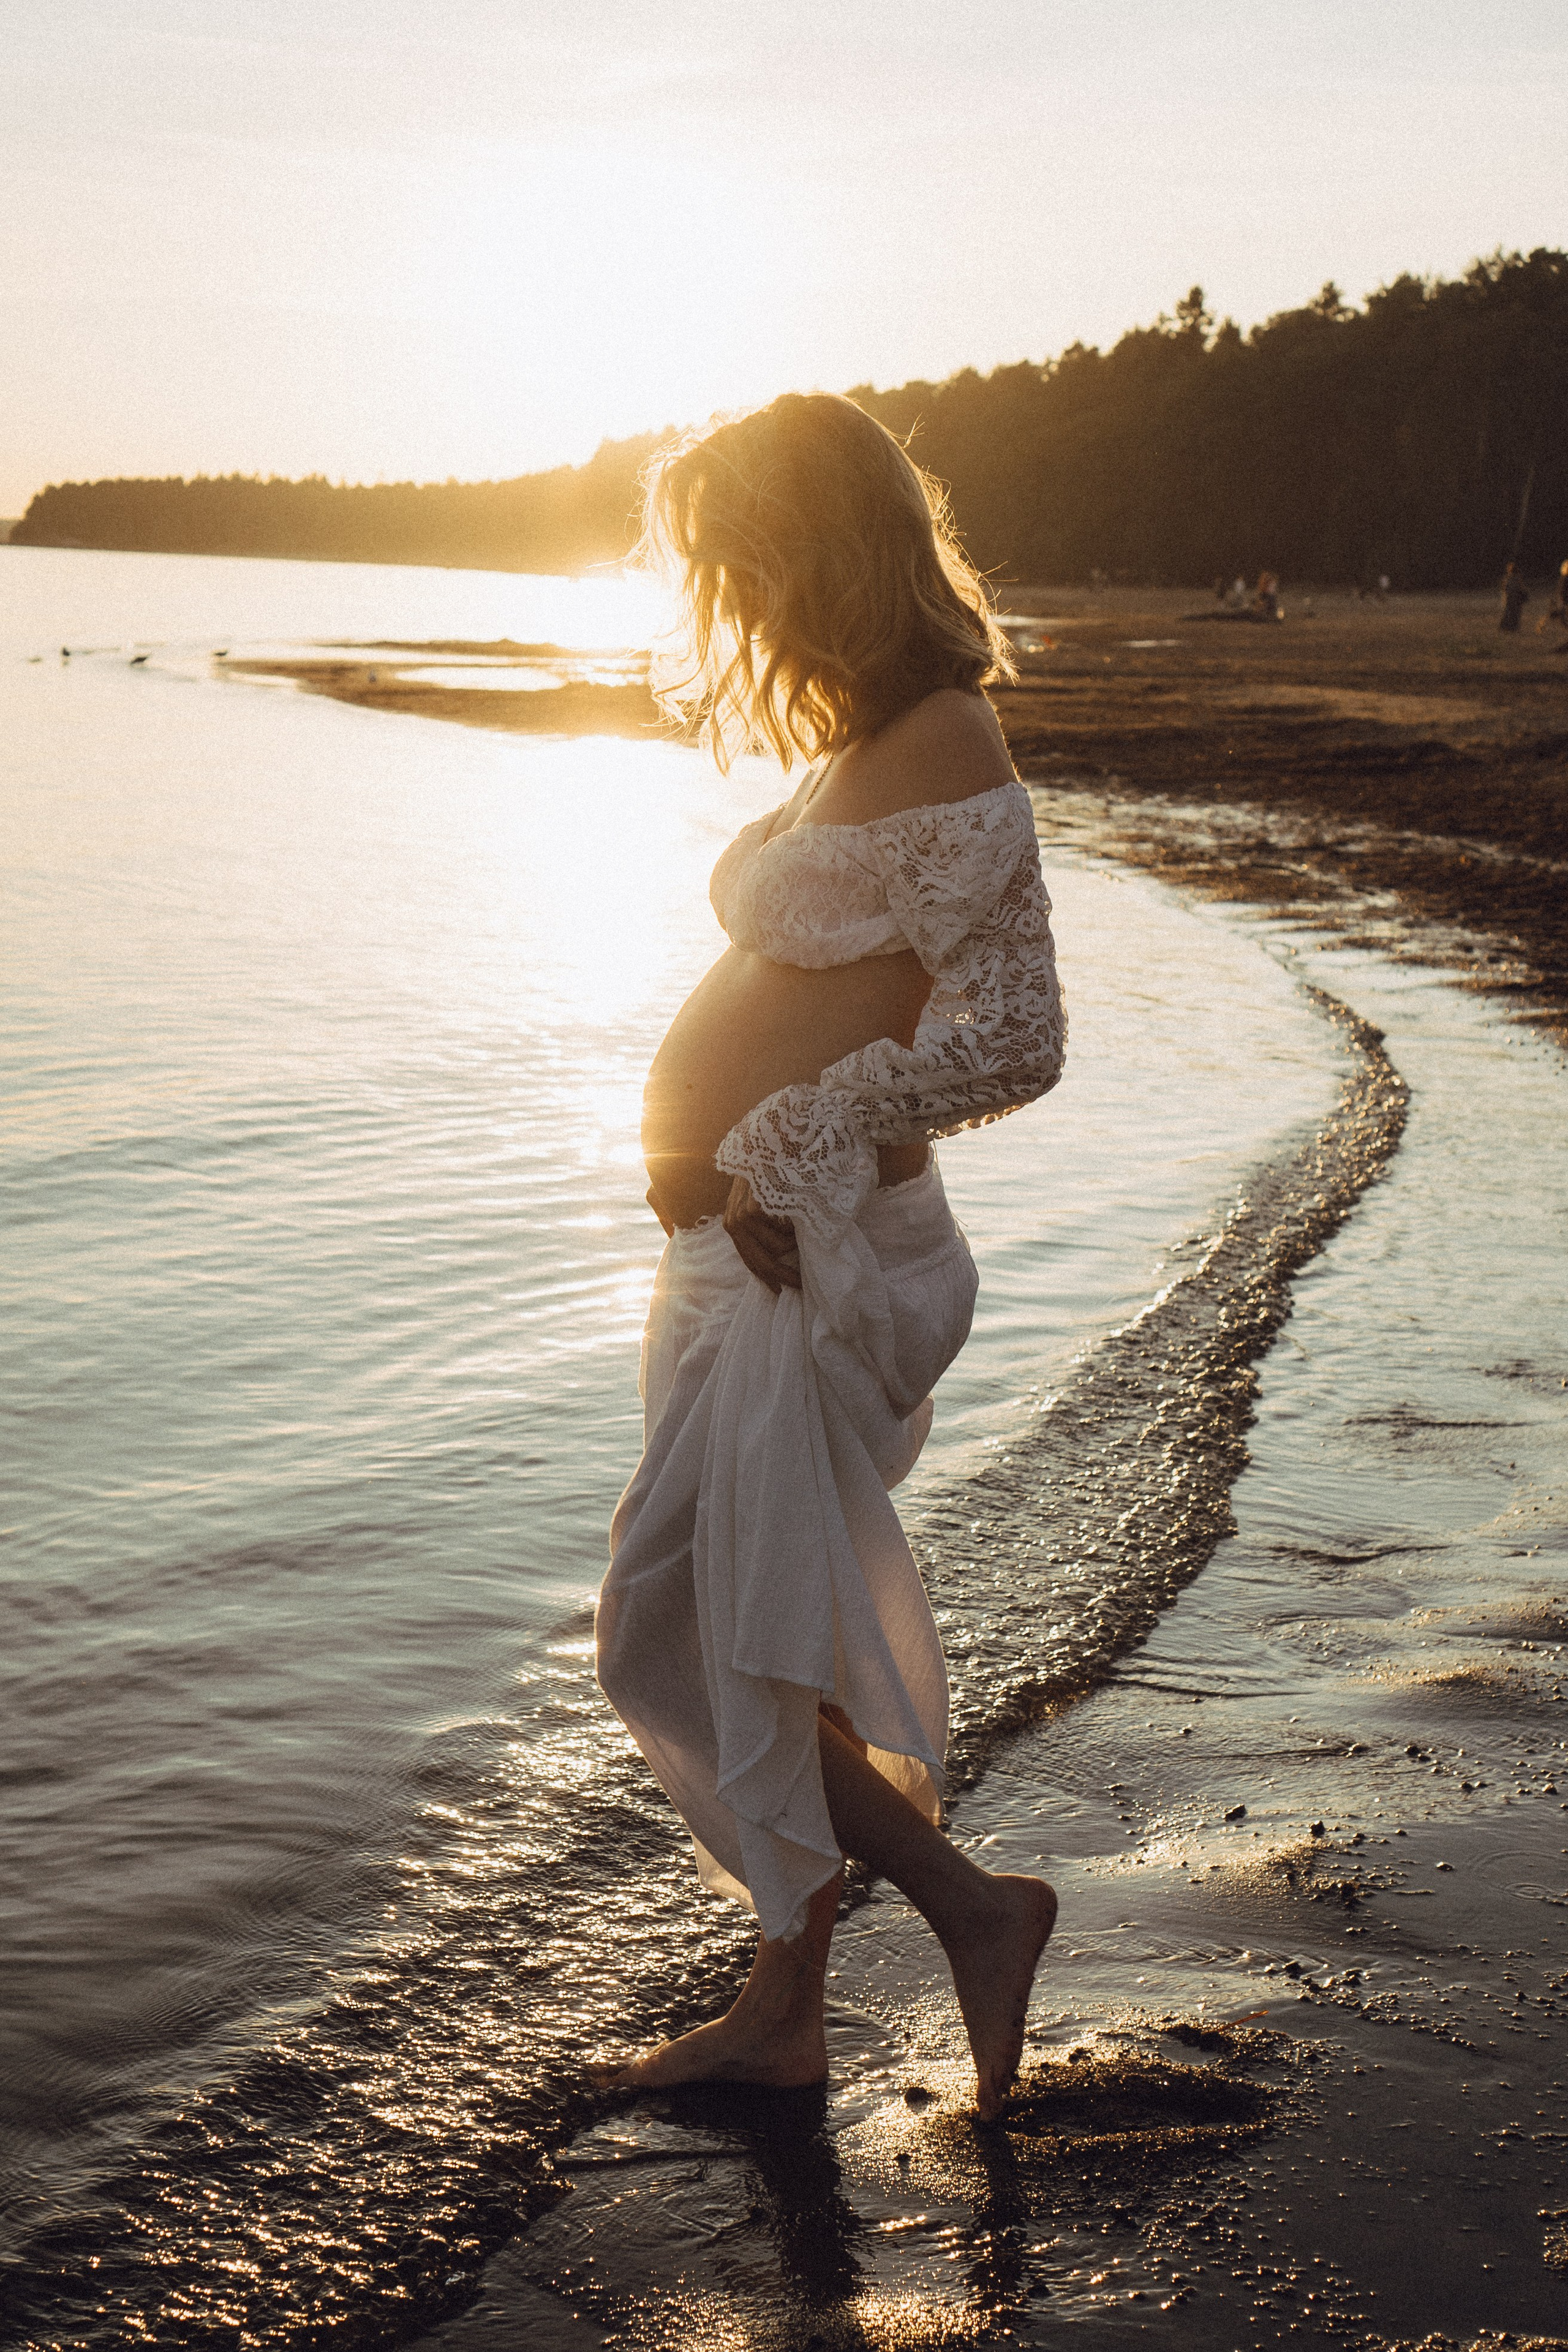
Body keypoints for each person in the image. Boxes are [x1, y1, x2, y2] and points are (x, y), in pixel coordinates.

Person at [595, 393, 1066, 2119]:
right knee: (758, 1634)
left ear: (816, 550)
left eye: (739, 561)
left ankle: (975, 1908)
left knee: (673, 1635)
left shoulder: (944, 733)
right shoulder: (870, 739)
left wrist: (796, 1137)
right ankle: (783, 2016)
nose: (728, 601)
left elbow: (1012, 1033)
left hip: (809, 1250)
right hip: (751, 1251)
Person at [1499, 560, 1529, 633]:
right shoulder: (1518, 579)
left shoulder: (1508, 579)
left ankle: (1506, 627)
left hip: (1511, 599)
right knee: (1515, 614)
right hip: (1516, 599)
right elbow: (1523, 589)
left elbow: (1504, 589)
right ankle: (1512, 628)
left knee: (1509, 613)